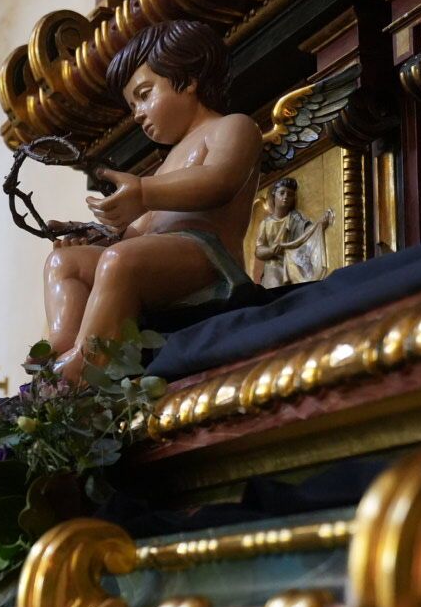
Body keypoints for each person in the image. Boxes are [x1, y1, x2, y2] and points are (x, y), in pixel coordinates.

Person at [42, 19, 262, 382]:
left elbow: (219, 180)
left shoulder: (232, 127)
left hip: (209, 260)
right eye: (132, 105)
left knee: (120, 261)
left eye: (144, 94)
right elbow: (142, 231)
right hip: (159, 255)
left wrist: (143, 193)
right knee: (64, 262)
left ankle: (85, 366)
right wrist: (97, 234)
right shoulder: (166, 162)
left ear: (187, 80)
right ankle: (61, 346)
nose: (138, 114)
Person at [252, 177, 333, 287]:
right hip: (273, 268)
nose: (285, 197)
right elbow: (259, 250)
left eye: (289, 194)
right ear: (274, 194)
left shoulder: (295, 218)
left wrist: (319, 225)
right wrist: (271, 250)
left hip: (293, 266)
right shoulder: (266, 223)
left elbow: (307, 231)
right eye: (282, 193)